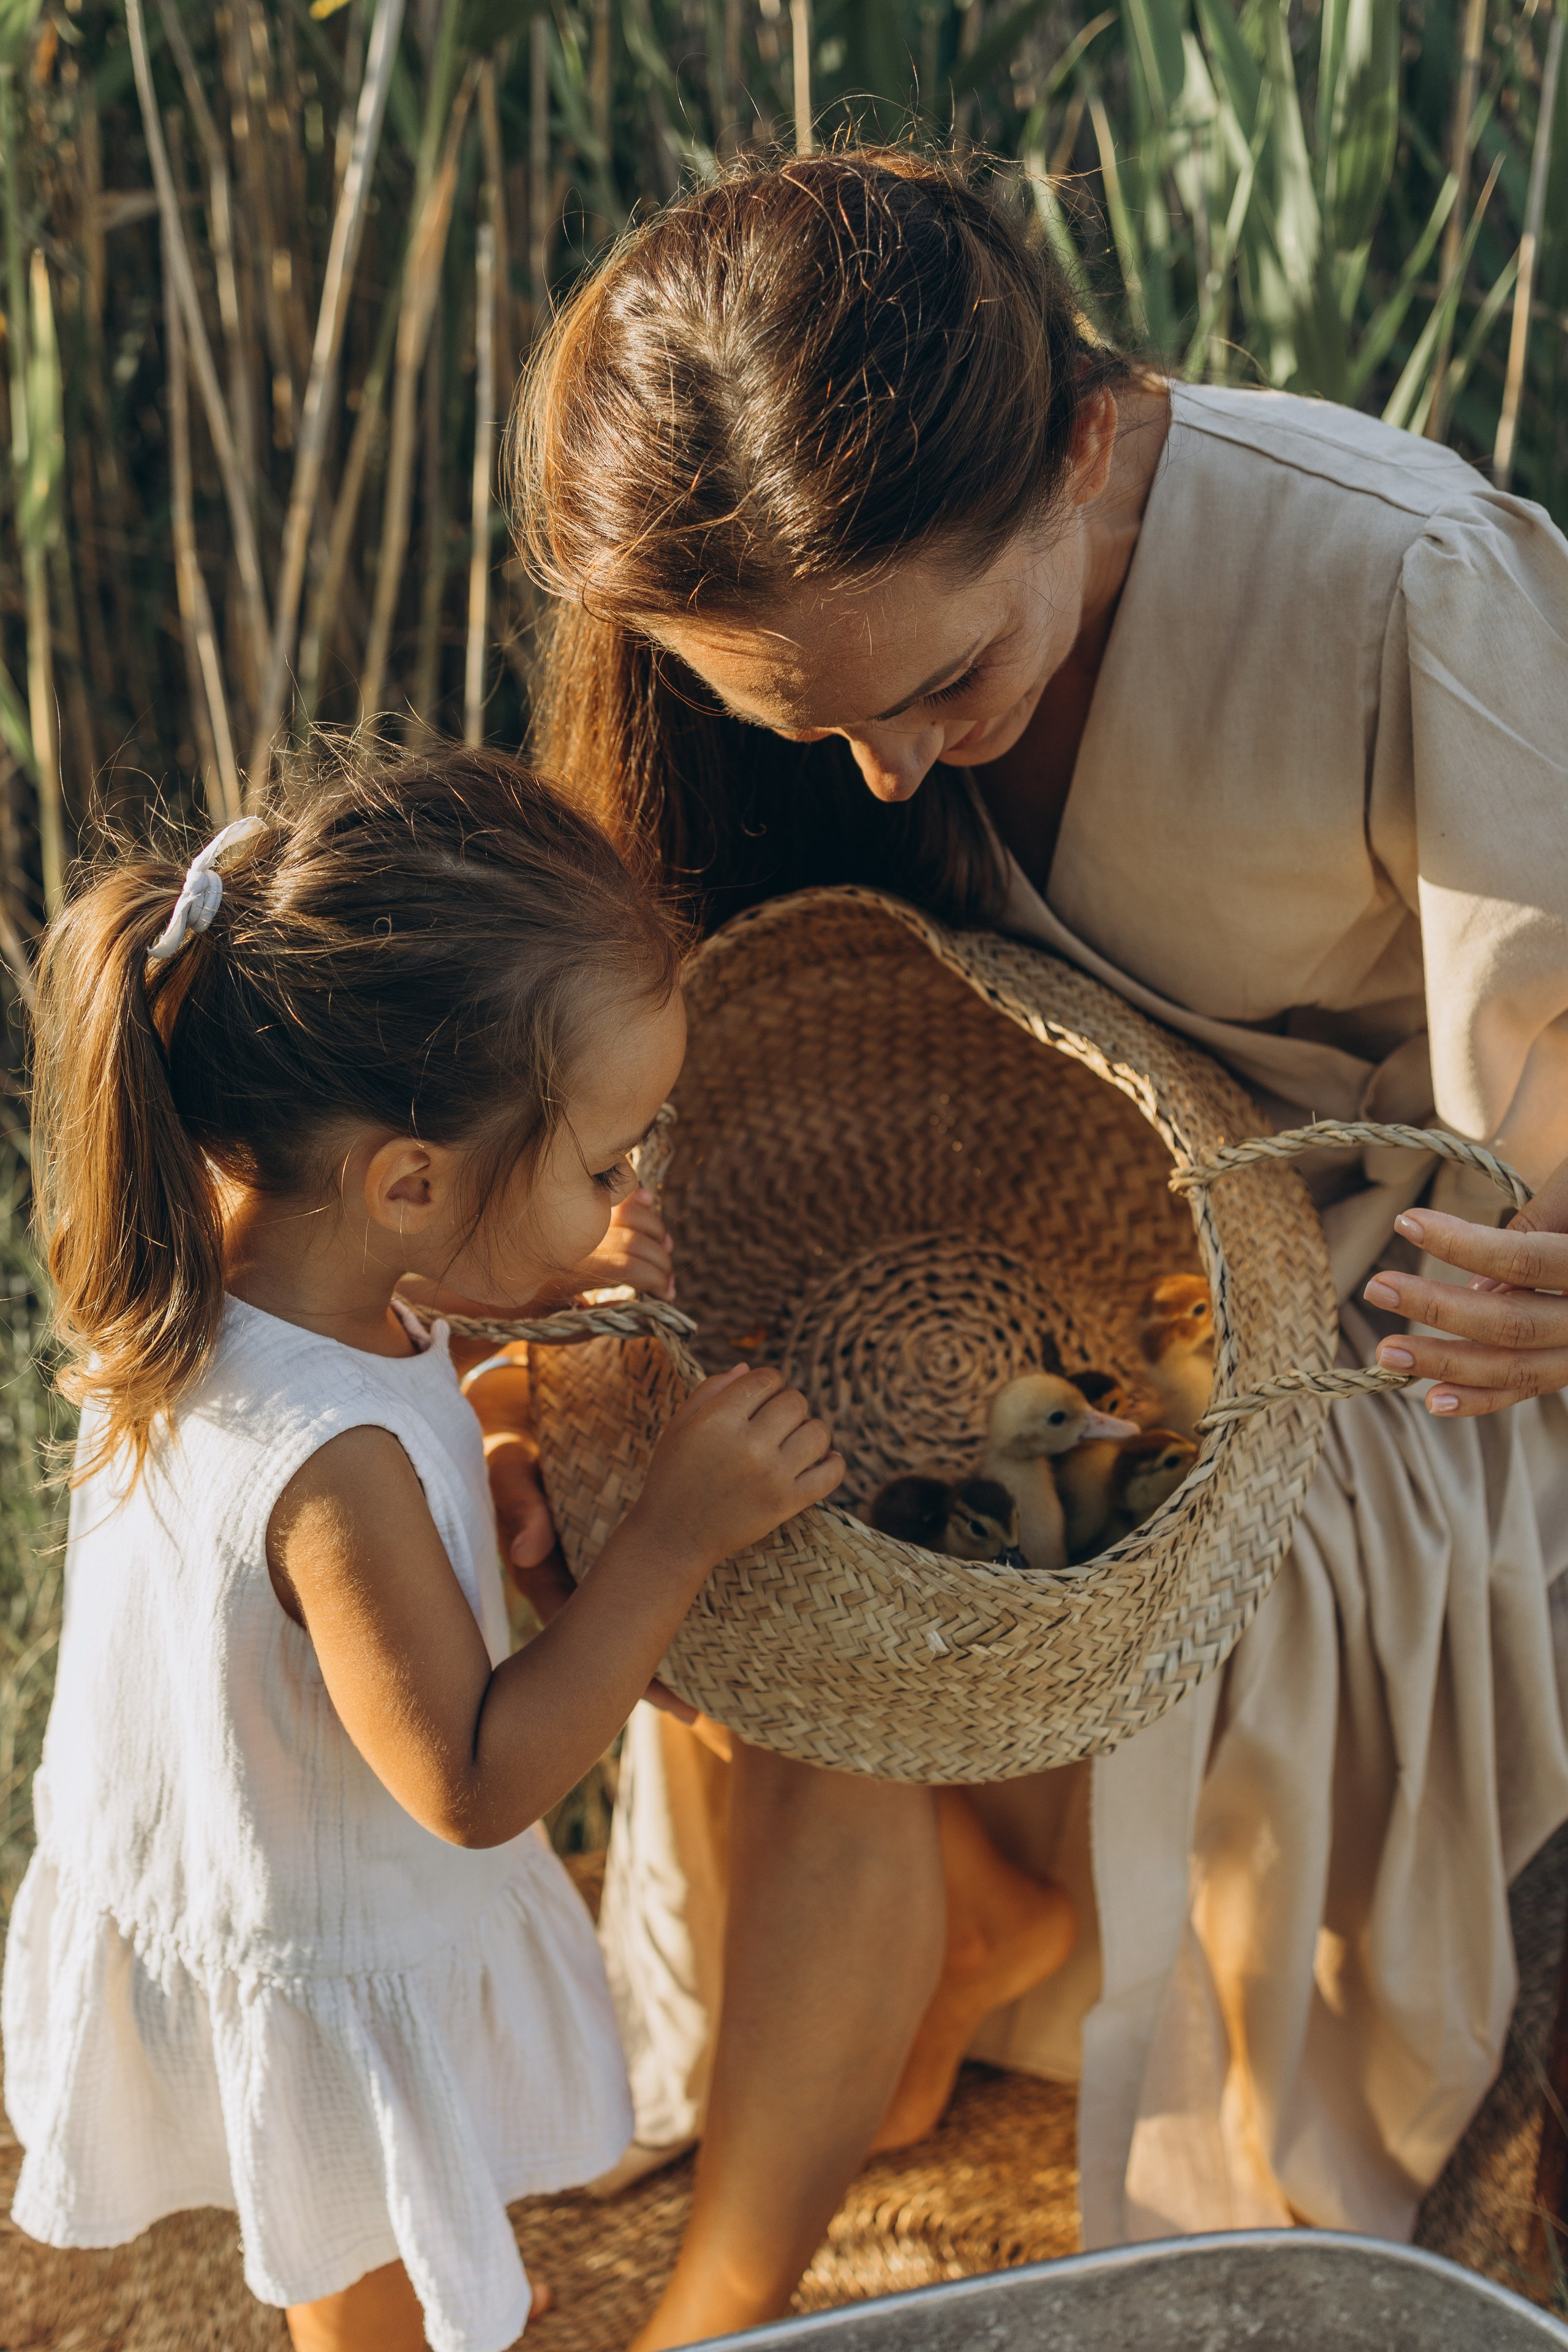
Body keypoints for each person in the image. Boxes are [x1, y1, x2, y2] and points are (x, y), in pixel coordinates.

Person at [490, 145, 1568, 2345]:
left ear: (1086, 441)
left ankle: (732, 2288)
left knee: (950, 1540)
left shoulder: (1397, 575)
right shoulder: (793, 648)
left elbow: (1544, 1093)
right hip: (999, 1229)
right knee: (765, 1485)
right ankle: (861, 2093)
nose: (888, 779)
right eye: (814, 727)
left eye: (946, 684)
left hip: (1371, 1328)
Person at [1, 745, 844, 2352]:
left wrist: (512, 1344)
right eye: (600, 1167)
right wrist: (669, 1530)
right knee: (384, 2274)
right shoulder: (339, 1465)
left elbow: (377, 1373)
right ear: (407, 1182)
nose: (623, 1199)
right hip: (331, 1941)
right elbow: (473, 1783)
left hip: (254, 1896)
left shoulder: (238, 1271)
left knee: (348, 2250)